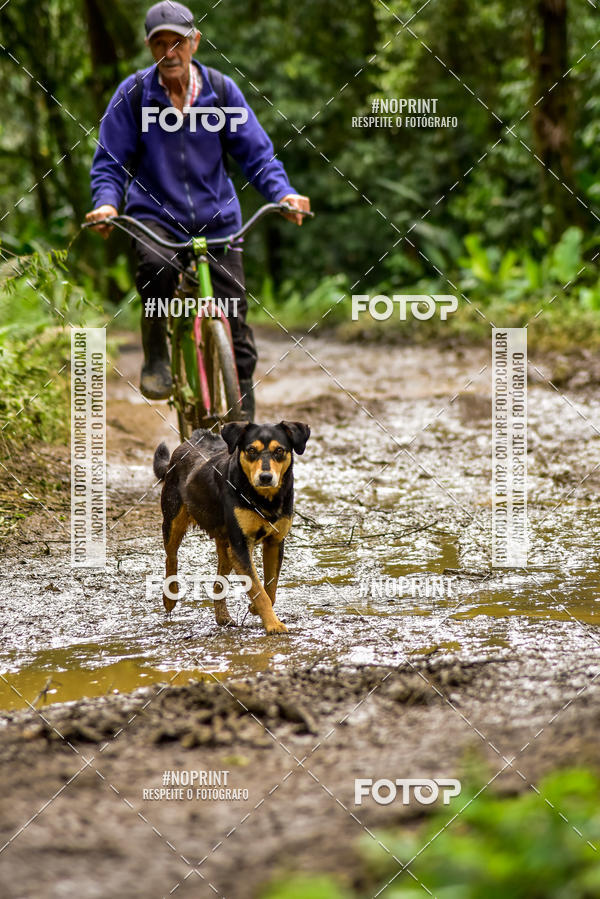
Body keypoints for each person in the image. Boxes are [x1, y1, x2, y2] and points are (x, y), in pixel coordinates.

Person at [86, 1, 310, 419]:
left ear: (195, 42)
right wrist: (106, 204)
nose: (170, 53)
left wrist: (284, 194)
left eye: (179, 41)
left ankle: (242, 430)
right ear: (150, 48)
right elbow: (110, 164)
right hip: (157, 218)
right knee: (156, 268)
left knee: (237, 330)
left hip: (218, 220)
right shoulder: (133, 96)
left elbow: (258, 156)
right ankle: (157, 349)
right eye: (160, 43)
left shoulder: (222, 92)